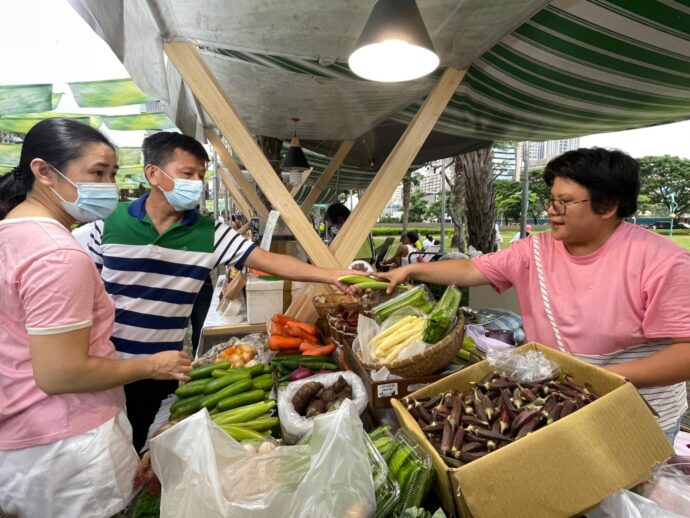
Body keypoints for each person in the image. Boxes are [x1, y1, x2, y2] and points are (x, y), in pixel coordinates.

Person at [381, 148, 690, 443]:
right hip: (564, 407)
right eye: (551, 200)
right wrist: (410, 271)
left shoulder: (663, 262)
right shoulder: (535, 251)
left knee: (631, 497)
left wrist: (599, 377)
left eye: (565, 202)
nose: (552, 211)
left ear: (608, 206)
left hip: (637, 417)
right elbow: (470, 270)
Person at [82, 132, 357, 451]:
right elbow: (83, 290)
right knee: (103, 448)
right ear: (153, 174)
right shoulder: (108, 223)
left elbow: (269, 261)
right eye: (187, 174)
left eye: (201, 174)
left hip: (163, 367)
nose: (197, 183)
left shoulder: (209, 233)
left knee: (143, 446)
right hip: (107, 366)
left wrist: (332, 274)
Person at [0, 118, 191, 517]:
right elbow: (60, 374)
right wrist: (153, 364)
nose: (109, 186)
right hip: (69, 451)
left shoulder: (11, 235)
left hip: (24, 440)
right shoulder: (57, 254)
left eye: (112, 174)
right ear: (42, 172)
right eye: (97, 173)